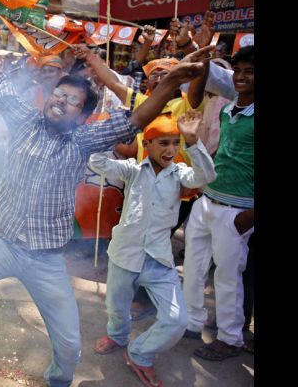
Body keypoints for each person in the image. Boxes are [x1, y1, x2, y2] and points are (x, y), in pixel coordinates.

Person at [0, 0, 207, 387]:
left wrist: (170, 84)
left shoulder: (82, 141)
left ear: (82, 116)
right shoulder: (23, 119)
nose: (59, 102)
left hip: (45, 259)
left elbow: (136, 120)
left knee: (71, 346)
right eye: (57, 94)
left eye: (70, 101)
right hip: (2, 244)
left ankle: (58, 380)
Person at [90, 111, 216, 387]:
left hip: (158, 261)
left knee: (176, 320)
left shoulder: (181, 174)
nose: (171, 150)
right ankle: (118, 336)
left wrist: (194, 142)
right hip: (124, 255)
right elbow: (96, 161)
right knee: (117, 307)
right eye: (163, 143)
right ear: (147, 145)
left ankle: (139, 353)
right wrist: (113, 134)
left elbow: (207, 175)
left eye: (175, 143)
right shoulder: (132, 170)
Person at [182, 46, 254, 362]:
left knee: (226, 277)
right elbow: (222, 153)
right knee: (195, 269)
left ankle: (230, 337)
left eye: (249, 71)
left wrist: (250, 216)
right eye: (238, 71)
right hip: (209, 199)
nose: (241, 77)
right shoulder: (228, 109)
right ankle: (192, 321)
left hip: (237, 210)